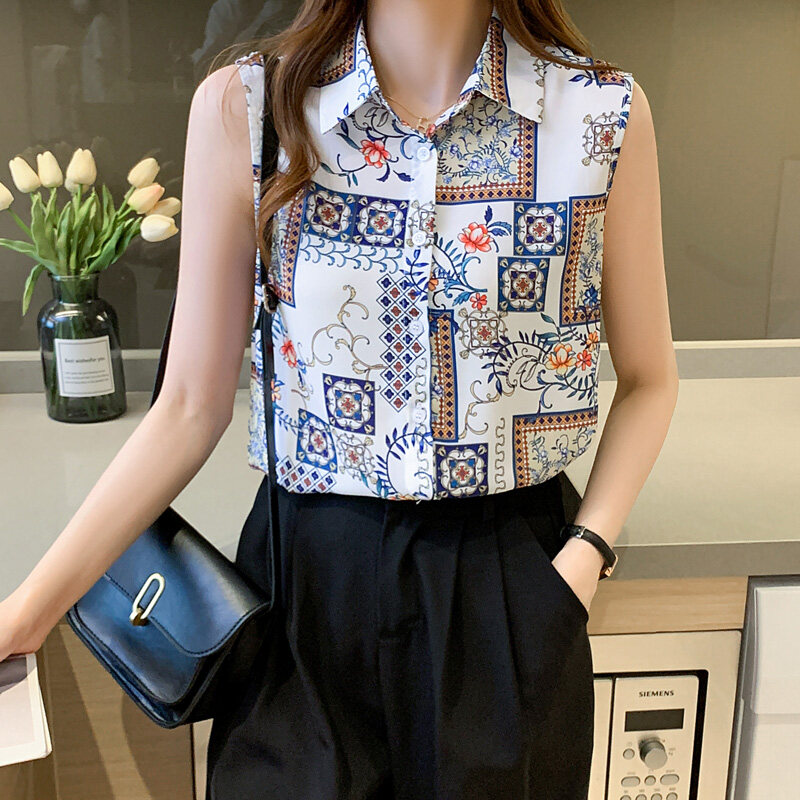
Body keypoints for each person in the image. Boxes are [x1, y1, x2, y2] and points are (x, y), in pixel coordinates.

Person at [0, 0, 679, 798]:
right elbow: (187, 405)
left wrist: (583, 558)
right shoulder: (249, 108)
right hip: (306, 584)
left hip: (506, 582)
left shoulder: (601, 114)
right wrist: (28, 612)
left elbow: (650, 378)